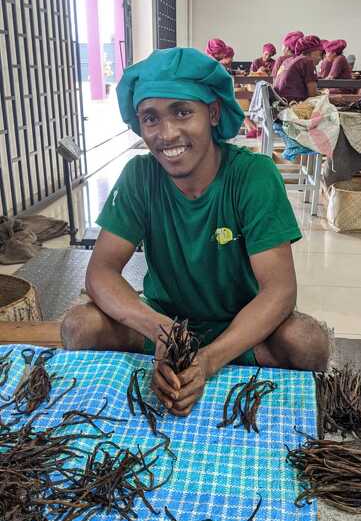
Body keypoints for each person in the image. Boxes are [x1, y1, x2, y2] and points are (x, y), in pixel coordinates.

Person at [61, 47, 330, 416]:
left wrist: (206, 360)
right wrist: (163, 333)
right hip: (163, 320)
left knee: (308, 342)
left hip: (238, 326)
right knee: (79, 327)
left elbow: (280, 291)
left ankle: (215, 361)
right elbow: (101, 272)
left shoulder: (252, 177)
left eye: (183, 112)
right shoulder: (140, 177)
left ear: (214, 113)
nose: (167, 133)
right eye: (151, 118)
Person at [273, 35, 323, 103]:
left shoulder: (288, 60)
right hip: (292, 104)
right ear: (312, 51)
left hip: (279, 102)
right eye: (320, 53)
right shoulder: (308, 61)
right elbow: (313, 95)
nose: (320, 58)